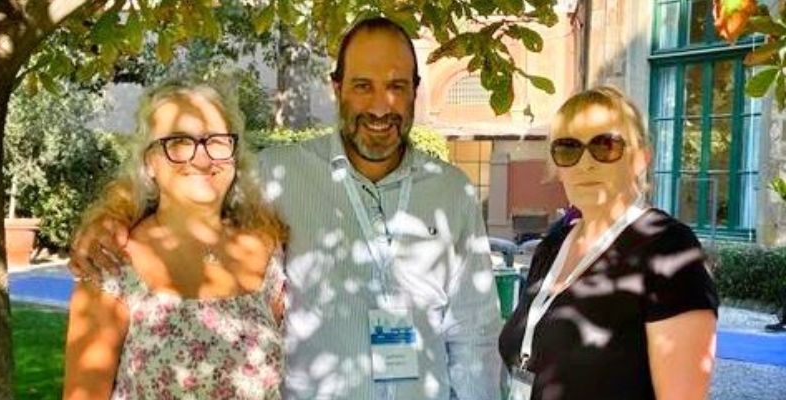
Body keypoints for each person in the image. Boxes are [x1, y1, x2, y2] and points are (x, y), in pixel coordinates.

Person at [68, 17, 503, 400]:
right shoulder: (279, 177)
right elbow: (188, 187)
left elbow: (474, 336)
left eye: (397, 86)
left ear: (414, 92)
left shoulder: (453, 194)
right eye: (362, 85)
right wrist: (112, 219)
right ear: (337, 89)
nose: (380, 106)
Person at [63, 79, 289, 400]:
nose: (201, 158)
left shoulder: (267, 251)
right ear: (149, 163)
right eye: (179, 142)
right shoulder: (111, 262)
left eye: (216, 141)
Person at [498, 86, 719, 400]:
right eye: (568, 148)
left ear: (641, 159)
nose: (586, 163)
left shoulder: (669, 249)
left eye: (605, 145)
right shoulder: (556, 241)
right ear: (557, 167)